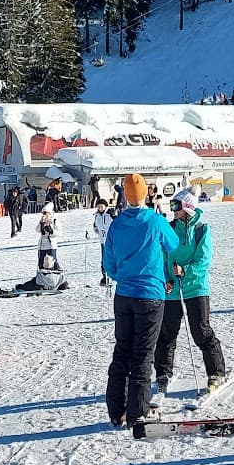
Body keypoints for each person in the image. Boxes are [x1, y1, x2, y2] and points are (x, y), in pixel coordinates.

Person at [102, 174, 179, 428]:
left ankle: (117, 410)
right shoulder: (155, 221)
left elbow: (109, 264)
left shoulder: (116, 224)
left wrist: (124, 275)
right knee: (143, 354)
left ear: (124, 195)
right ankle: (138, 411)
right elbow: (174, 243)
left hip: (124, 294)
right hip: (150, 295)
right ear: (145, 194)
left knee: (122, 349)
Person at [153, 189, 228, 395]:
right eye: (171, 206)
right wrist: (165, 278)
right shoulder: (169, 228)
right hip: (172, 289)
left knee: (201, 331)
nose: (173, 210)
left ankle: (217, 372)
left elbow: (203, 261)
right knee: (167, 333)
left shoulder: (201, 230)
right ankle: (162, 374)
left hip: (195, 288)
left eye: (176, 206)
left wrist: (185, 271)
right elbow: (161, 257)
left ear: (187, 208)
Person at [92, 197, 112, 286]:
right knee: (104, 259)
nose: (100, 208)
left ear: (105, 207)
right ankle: (104, 276)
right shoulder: (97, 216)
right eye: (98, 207)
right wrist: (97, 230)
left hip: (111, 241)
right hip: (102, 241)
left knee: (112, 258)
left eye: (101, 206)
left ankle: (112, 275)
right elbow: (95, 227)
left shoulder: (109, 214)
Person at [36, 209, 61, 273]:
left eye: (46, 213)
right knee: (41, 263)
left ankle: (57, 276)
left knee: (52, 262)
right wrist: (41, 224)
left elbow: (59, 233)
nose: (44, 215)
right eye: (43, 213)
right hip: (42, 245)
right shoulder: (42, 221)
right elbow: (37, 230)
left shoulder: (54, 220)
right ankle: (42, 278)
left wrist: (52, 231)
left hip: (51, 245)